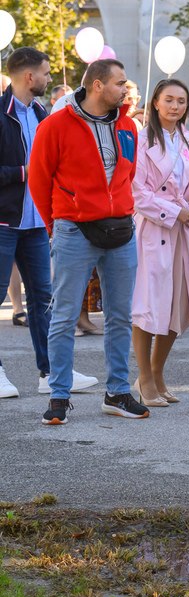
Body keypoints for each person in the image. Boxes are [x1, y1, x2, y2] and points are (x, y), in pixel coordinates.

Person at [28, 59, 148, 424]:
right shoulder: (56, 125)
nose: (125, 89)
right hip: (74, 230)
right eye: (119, 82)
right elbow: (38, 180)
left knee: (119, 316)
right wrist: (57, 225)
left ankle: (117, 392)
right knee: (63, 317)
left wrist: (122, 209)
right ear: (97, 85)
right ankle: (59, 396)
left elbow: (128, 176)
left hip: (121, 229)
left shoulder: (128, 125)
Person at [0, 47, 98, 399]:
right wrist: (23, 172)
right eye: (45, 72)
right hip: (4, 222)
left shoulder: (42, 113)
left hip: (38, 223)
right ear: (29, 77)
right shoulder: (1, 113)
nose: (48, 78)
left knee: (44, 299)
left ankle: (52, 372)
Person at [130, 79, 189, 406]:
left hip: (183, 230)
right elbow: (137, 192)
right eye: (169, 100)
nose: (175, 106)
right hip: (153, 230)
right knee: (149, 304)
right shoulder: (141, 139)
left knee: (179, 302)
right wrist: (175, 212)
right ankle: (144, 376)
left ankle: (158, 370)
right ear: (156, 102)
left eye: (181, 101)